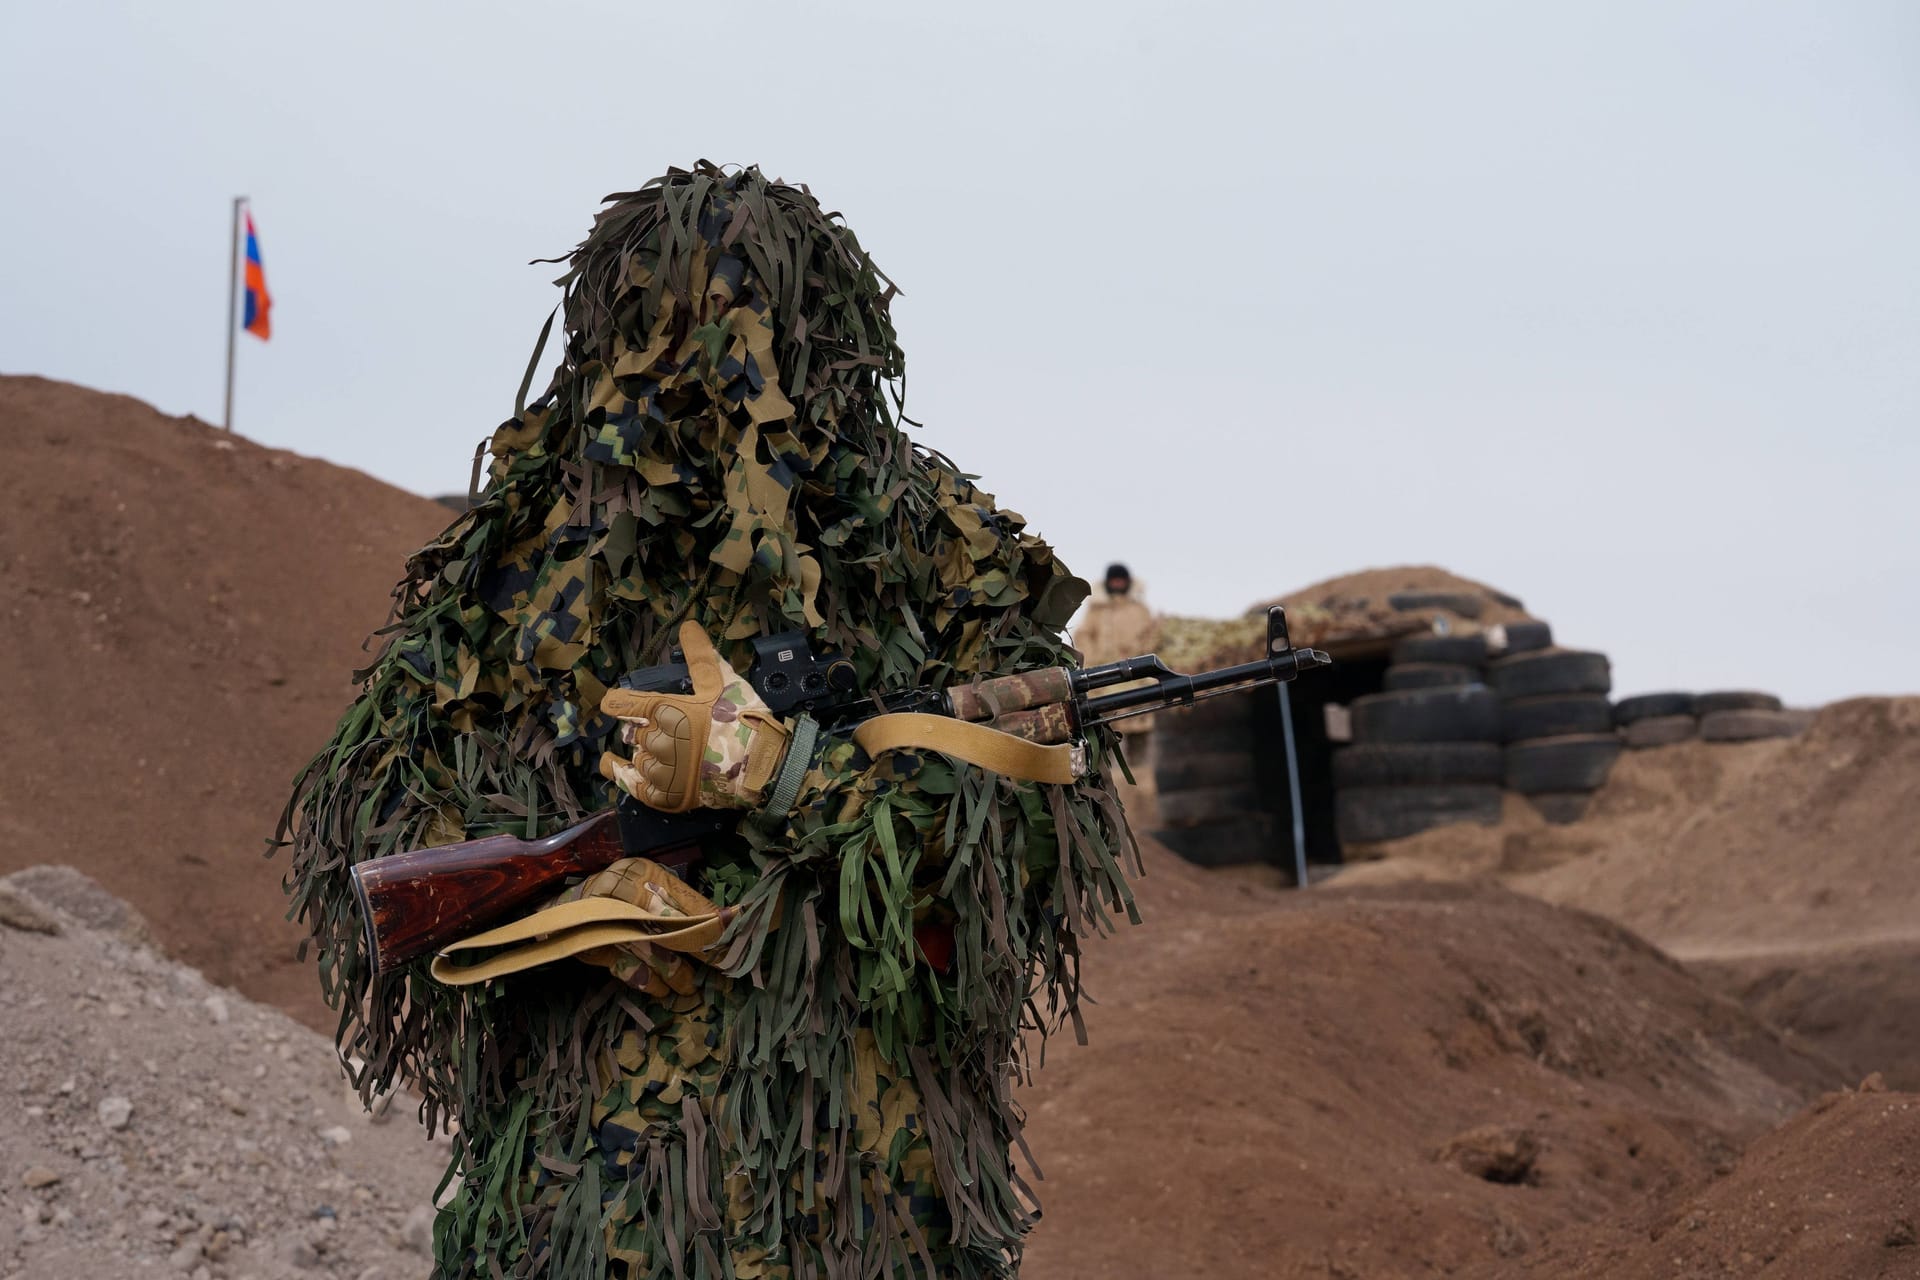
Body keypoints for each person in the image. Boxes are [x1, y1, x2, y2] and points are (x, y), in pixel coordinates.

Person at [280, 164, 1138, 1279]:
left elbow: (1026, 843)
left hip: (861, 1193)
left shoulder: (934, 556)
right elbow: (380, 832)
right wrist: (586, 898)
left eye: (753, 336)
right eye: (669, 333)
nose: (718, 378)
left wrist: (789, 778)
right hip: (585, 1194)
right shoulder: (523, 557)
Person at [1071, 563, 1161, 781]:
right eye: (1115, 581)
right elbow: (1083, 638)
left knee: (1140, 743)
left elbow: (1151, 639)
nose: (1118, 584)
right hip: (1104, 682)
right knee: (1103, 736)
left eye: (1122, 580)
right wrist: (1095, 665)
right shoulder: (1096, 611)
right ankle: (1106, 783)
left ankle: (1141, 788)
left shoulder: (1140, 610)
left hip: (1135, 682)